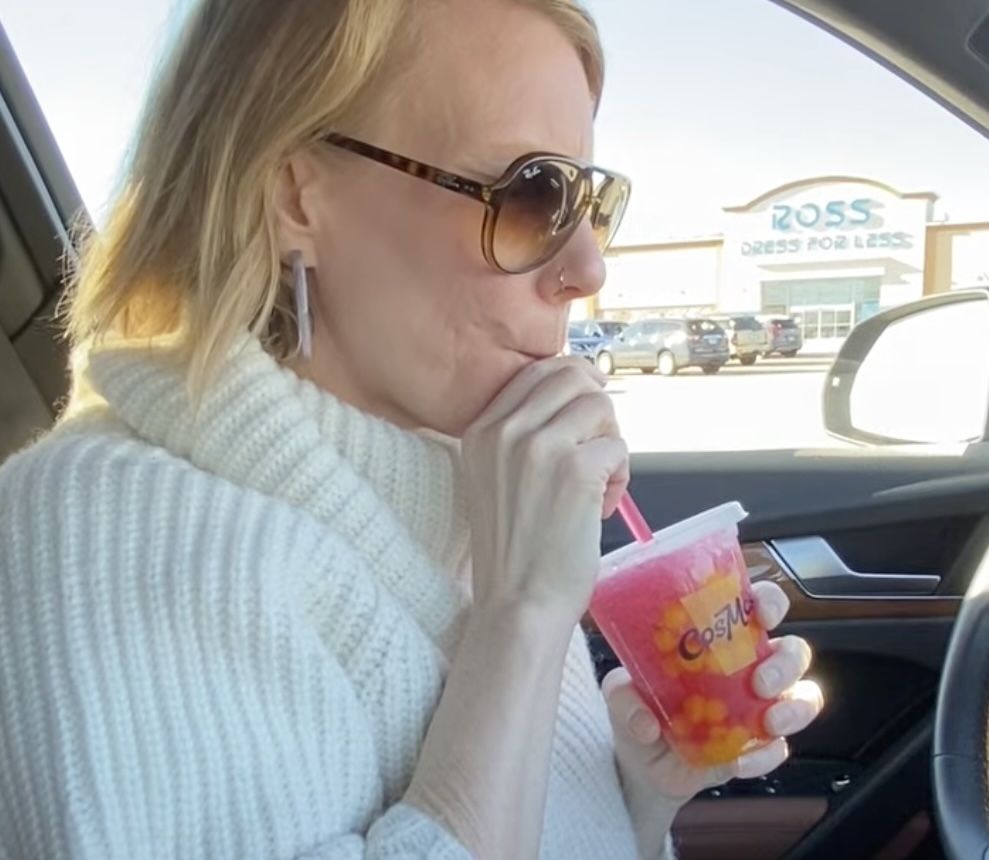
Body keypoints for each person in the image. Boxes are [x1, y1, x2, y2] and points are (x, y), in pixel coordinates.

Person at [0, 0, 823, 857]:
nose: (586, 269)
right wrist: (522, 616)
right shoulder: (100, 533)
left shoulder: (472, 487)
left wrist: (632, 789)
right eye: (531, 193)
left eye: (587, 199)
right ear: (294, 195)